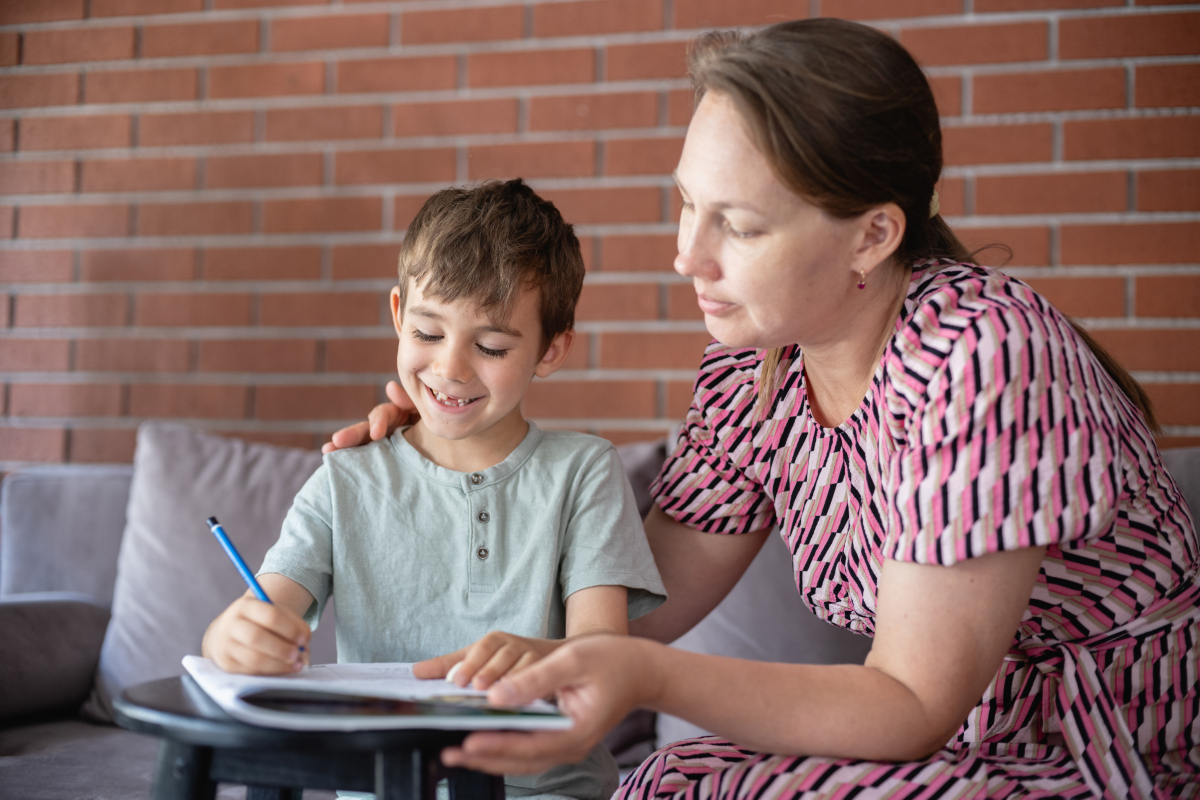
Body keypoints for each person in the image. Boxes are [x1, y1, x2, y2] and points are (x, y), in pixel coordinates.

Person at [326, 19, 1200, 800]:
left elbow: (910, 703)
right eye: (685, 204)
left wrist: (647, 678)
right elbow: (627, 607)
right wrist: (448, 473)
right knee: (667, 781)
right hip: (955, 757)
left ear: (872, 234)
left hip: (1097, 760)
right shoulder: (755, 375)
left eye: (737, 227)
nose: (685, 257)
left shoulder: (982, 356)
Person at [203, 178, 667, 800]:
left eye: (492, 345)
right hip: (386, 787)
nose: (450, 368)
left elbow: (601, 652)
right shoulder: (346, 479)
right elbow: (262, 612)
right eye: (427, 333)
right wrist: (231, 639)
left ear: (550, 350)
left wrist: (532, 661)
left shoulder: (583, 472)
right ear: (397, 315)